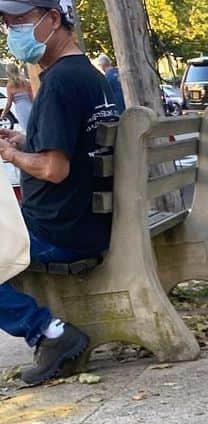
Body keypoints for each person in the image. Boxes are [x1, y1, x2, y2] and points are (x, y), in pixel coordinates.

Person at [0, 0, 119, 385]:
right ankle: (50, 332)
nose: (12, 31)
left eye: (20, 21)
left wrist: (11, 153)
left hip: (62, 231)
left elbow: (54, 169)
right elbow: (69, 148)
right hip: (88, 219)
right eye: (7, 23)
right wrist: (25, 139)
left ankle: (50, 333)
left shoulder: (58, 82)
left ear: (53, 19)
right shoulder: (88, 75)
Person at [1, 62, 33, 130]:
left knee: (27, 129)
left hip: (21, 109)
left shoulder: (10, 85)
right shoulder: (26, 82)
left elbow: (9, 103)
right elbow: (32, 97)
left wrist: (3, 114)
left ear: (8, 72)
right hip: (31, 106)